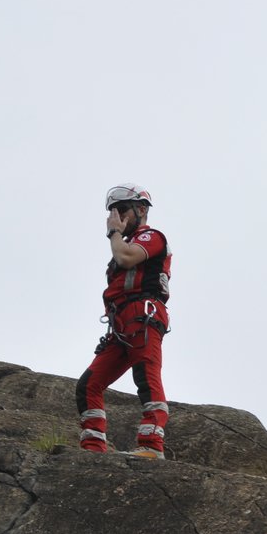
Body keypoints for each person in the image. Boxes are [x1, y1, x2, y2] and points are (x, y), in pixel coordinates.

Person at [76, 184, 170, 459]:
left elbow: (126, 258)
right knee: (89, 385)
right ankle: (93, 448)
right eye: (113, 212)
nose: (116, 217)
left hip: (144, 315)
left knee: (146, 374)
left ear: (141, 210)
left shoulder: (151, 237)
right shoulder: (125, 243)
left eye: (121, 210)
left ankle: (152, 446)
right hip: (122, 324)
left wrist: (114, 233)